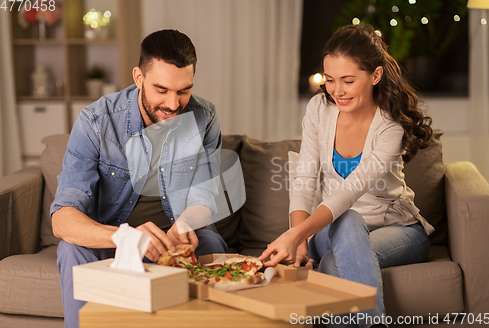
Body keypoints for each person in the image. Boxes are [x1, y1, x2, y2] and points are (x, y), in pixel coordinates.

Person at [259, 24, 434, 328]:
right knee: (348, 219)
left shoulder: (390, 126)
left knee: (331, 263)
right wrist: (299, 240)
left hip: (398, 229)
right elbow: (304, 180)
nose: (337, 90)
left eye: (348, 80)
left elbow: (349, 192)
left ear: (375, 76)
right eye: (330, 80)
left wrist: (295, 235)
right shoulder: (318, 110)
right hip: (333, 229)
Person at [51, 29, 227, 328]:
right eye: (162, 90)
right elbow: (63, 218)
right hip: (115, 242)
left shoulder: (203, 117)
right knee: (71, 248)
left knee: (210, 240)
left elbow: (203, 195)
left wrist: (184, 225)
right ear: (139, 77)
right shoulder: (96, 122)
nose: (174, 104)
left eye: (183, 90)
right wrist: (127, 238)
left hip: (172, 242)